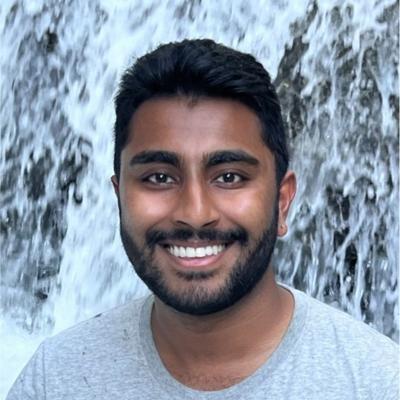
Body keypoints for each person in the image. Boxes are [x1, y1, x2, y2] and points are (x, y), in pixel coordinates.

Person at [7, 39, 399, 400]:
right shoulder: (55, 380)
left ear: (282, 202)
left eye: (229, 177)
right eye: (159, 178)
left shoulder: (377, 384)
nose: (195, 214)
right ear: (119, 197)